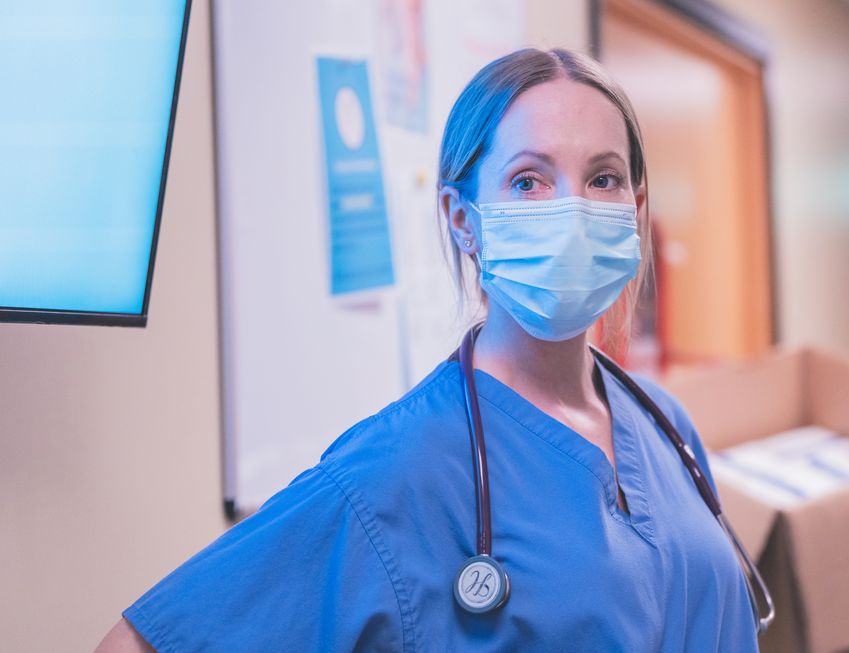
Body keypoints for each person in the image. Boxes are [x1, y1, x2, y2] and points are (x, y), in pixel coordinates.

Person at [96, 47, 760, 652]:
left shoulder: (665, 425)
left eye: (604, 178)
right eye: (529, 181)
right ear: (462, 219)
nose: (573, 210)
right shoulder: (398, 470)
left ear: (635, 207)